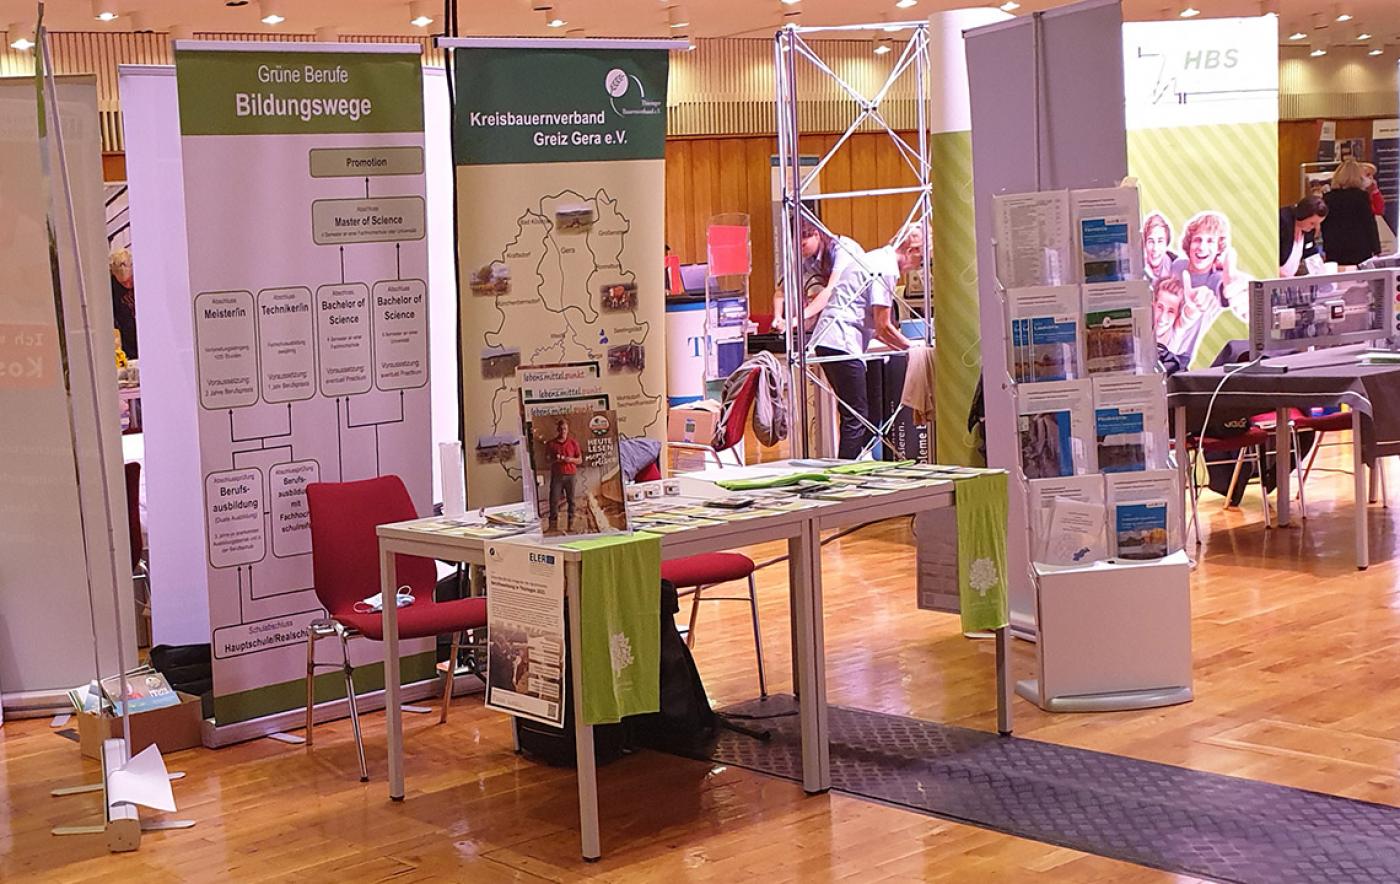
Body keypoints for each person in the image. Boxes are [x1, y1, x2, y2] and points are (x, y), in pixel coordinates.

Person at [807, 226, 917, 459]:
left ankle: (856, 463)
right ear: (911, 250)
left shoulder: (875, 258)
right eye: (922, 258)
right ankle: (845, 472)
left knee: (868, 415)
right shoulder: (885, 267)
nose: (920, 265)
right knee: (856, 417)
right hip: (841, 340)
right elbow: (883, 327)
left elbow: (879, 327)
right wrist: (915, 349)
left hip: (834, 339)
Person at [771, 220, 859, 335]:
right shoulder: (806, 257)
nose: (801, 251)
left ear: (816, 235)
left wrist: (797, 319)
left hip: (858, 308)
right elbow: (781, 291)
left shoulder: (843, 250)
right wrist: (778, 317)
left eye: (803, 245)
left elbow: (830, 290)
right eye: (797, 247)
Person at [1322, 159, 1382, 268]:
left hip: (1334, 248)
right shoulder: (1361, 196)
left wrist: (1326, 248)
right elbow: (1369, 223)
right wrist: (1376, 249)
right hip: (1359, 247)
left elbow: (1325, 225)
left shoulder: (1327, 198)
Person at [544, 418, 582, 532]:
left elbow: (580, 460)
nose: (563, 431)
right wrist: (555, 459)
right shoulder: (551, 444)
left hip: (571, 475)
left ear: (568, 429)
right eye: (561, 429)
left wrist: (570, 460)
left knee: (571, 500)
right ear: (558, 430)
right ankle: (553, 526)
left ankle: (571, 525)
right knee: (554, 500)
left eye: (565, 429)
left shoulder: (573, 443)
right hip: (557, 476)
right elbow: (546, 460)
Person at [1278, 195, 1327, 277]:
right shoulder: (1282, 222)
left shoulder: (1309, 230)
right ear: (1303, 215)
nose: (1315, 227)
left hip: (1289, 279)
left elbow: (1311, 255)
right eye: (1312, 223)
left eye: (1318, 223)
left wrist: (1323, 278)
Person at [110, 247, 138, 358]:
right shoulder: (112, 287)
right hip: (128, 344)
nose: (128, 285)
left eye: (130, 280)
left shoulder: (143, 278)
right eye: (123, 283)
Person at [1141, 212, 1176, 282]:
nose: (1155, 248)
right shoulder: (1136, 270)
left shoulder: (1178, 268)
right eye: (1151, 241)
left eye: (1160, 241)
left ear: (1167, 243)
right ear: (1145, 244)